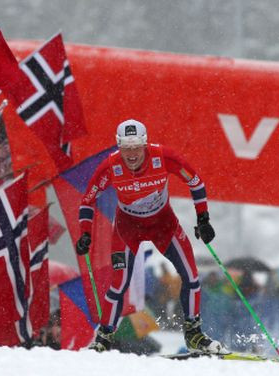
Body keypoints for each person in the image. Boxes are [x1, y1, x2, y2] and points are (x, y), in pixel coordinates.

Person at [76, 119, 227, 354]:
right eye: (126, 147)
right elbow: (87, 200)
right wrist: (85, 233)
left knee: (191, 276)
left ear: (145, 144)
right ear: (118, 146)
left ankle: (194, 335)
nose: (132, 153)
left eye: (136, 146)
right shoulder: (111, 166)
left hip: (162, 224)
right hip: (128, 227)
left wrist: (203, 219)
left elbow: (195, 181)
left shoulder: (163, 157)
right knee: (118, 285)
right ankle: (103, 339)